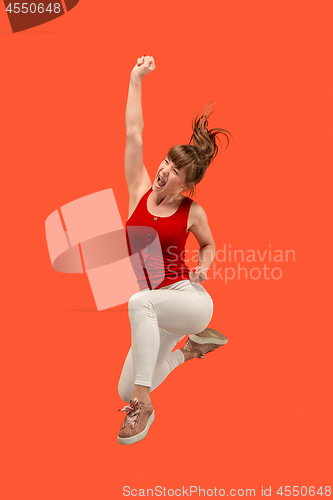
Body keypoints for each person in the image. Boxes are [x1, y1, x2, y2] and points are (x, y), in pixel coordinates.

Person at [117, 55, 232, 445]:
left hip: (187, 299)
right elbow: (135, 134)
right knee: (123, 387)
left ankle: (143, 406)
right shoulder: (138, 191)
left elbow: (210, 244)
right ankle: (192, 351)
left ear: (184, 185)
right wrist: (136, 78)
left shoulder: (191, 211)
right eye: (165, 161)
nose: (163, 170)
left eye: (173, 171)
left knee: (138, 303)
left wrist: (204, 267)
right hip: (159, 310)